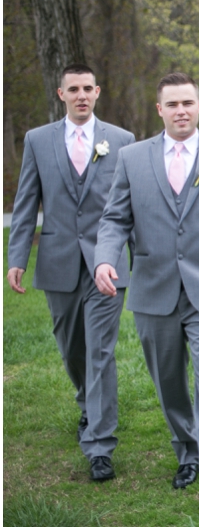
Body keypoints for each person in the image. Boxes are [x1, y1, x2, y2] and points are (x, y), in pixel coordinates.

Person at [94, 72, 199, 510]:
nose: (181, 111)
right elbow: (115, 219)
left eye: (188, 103)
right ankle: (186, 450)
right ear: (160, 110)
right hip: (154, 291)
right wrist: (104, 258)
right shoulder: (132, 158)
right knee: (169, 384)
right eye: (172, 104)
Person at [7, 64, 134, 482]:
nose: (81, 96)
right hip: (58, 260)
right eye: (73, 89)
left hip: (107, 263)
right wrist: (17, 257)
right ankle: (87, 403)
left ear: (98, 92)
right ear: (61, 94)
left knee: (100, 350)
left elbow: (132, 208)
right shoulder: (38, 140)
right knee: (72, 349)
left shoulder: (121, 140)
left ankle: (100, 444)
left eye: (87, 89)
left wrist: (143, 258)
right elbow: (27, 202)